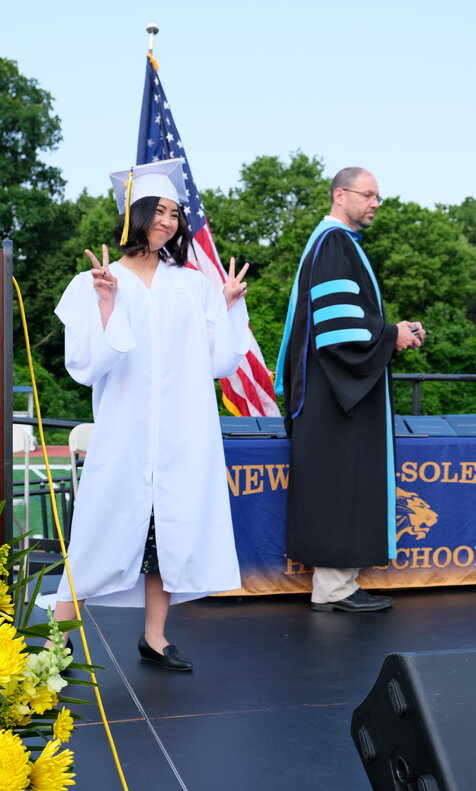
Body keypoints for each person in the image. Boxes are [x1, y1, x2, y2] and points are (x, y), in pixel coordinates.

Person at [51, 159, 250, 668]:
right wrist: (106, 304)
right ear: (134, 215)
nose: (168, 221)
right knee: (100, 527)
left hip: (182, 433)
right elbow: (87, 365)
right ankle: (58, 639)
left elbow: (218, 360)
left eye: (175, 213)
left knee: (166, 534)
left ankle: (155, 637)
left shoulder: (191, 283)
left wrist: (227, 305)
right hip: (125, 433)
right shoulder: (96, 279)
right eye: (158, 210)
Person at [275, 167, 425, 612]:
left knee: (342, 481)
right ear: (340, 195)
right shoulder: (335, 243)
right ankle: (333, 589)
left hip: (332, 389)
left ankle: (341, 584)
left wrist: (390, 331)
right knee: (338, 482)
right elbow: (341, 331)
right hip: (333, 393)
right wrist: (390, 334)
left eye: (378, 196)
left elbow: (345, 318)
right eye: (368, 194)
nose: (375, 203)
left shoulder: (334, 244)